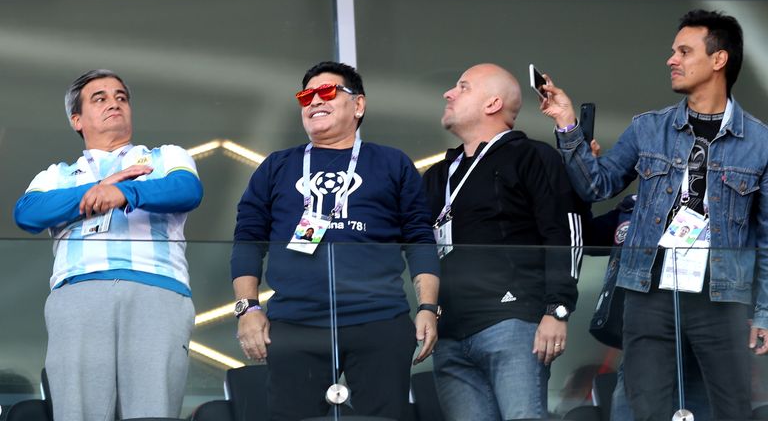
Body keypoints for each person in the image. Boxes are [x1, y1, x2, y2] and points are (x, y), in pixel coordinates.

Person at [540, 9, 768, 420]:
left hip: (722, 297)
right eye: (672, 51)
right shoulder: (649, 128)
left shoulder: (760, 142)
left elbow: (767, 239)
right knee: (646, 408)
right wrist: (567, 123)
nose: (671, 59)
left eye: (684, 50)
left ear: (719, 60)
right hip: (650, 291)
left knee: (731, 410)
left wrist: (764, 312)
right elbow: (598, 185)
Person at [230, 61, 440, 421]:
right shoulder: (277, 165)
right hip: (296, 323)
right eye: (306, 96)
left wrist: (427, 308)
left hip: (379, 319)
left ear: (358, 105)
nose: (314, 101)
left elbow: (420, 239)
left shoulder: (391, 162)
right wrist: (247, 310)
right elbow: (248, 239)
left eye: (327, 92)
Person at [14, 69, 203, 420]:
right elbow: (27, 213)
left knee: (153, 412)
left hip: (157, 289)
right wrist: (98, 188)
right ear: (77, 119)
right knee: (79, 413)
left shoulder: (167, 157)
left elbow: (187, 190)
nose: (114, 103)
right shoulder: (55, 175)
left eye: (120, 97)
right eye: (99, 98)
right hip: (79, 292)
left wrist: (124, 190)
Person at [422, 63, 581, 420]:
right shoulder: (437, 175)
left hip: (512, 324)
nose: (448, 93)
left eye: (462, 87)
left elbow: (564, 232)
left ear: (492, 103)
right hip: (449, 335)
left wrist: (557, 309)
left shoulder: (532, 156)